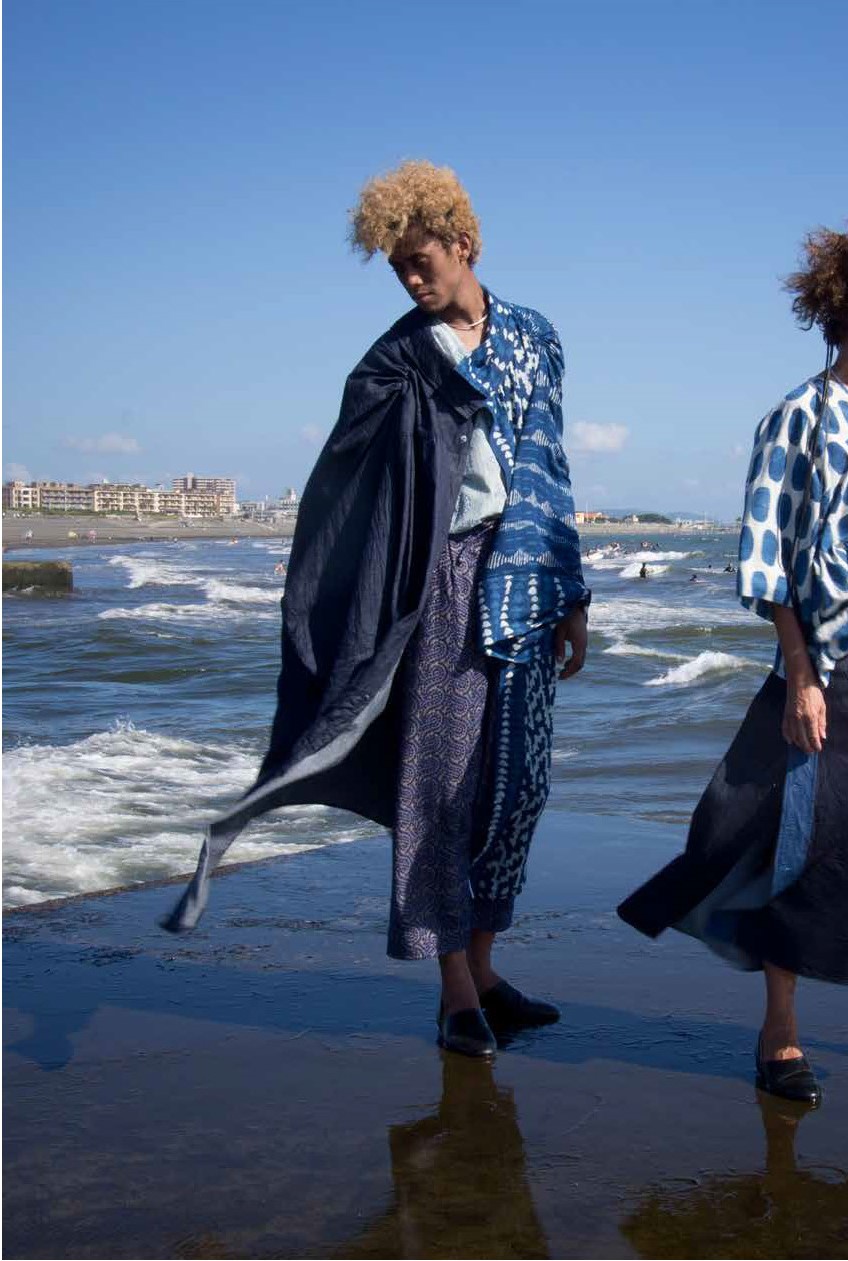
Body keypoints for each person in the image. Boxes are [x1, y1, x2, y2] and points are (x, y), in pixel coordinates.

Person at [164, 160, 590, 1060]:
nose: (409, 279)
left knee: (517, 787)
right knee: (438, 784)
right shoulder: (399, 357)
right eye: (397, 267)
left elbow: (551, 466)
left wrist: (572, 593)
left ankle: (487, 968)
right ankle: (454, 992)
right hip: (440, 579)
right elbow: (348, 481)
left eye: (419, 261)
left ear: (464, 244)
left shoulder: (537, 337)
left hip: (524, 583)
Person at [620, 214, 848, 1104]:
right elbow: (768, 558)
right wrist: (800, 672)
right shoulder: (797, 418)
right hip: (838, 669)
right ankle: (780, 1027)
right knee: (799, 845)